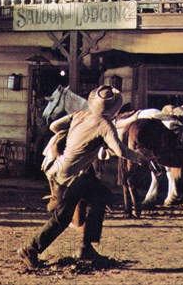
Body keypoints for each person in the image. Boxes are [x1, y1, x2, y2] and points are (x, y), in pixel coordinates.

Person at [18, 85, 147, 267]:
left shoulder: (79, 115)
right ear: (114, 107)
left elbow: (55, 125)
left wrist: (74, 138)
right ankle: (32, 248)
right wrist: (139, 157)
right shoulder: (105, 125)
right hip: (72, 175)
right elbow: (119, 149)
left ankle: (86, 248)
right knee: (63, 217)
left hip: (58, 167)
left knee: (98, 196)